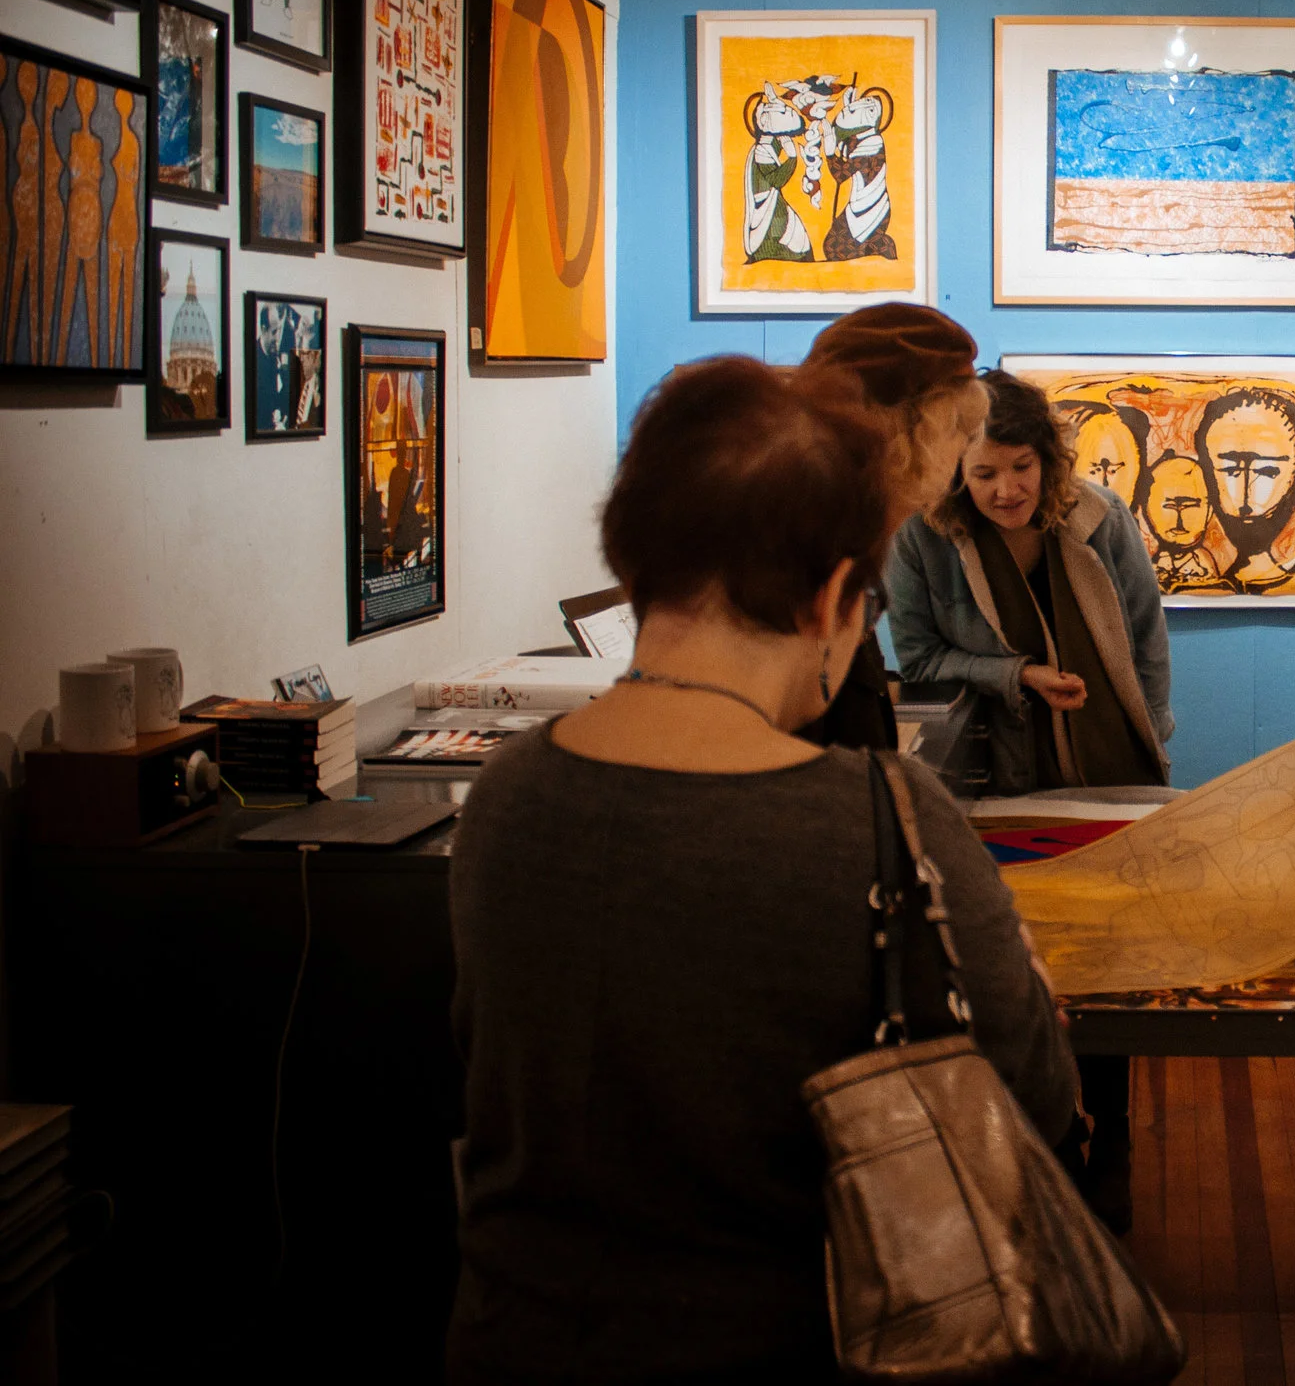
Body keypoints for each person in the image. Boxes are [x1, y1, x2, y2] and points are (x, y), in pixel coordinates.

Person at [447, 355, 1075, 1382]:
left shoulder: (506, 797)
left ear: (633, 562)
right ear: (832, 596)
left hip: (519, 1342)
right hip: (795, 1342)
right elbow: (1031, 1102)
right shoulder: (886, 817)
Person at [887, 367, 1173, 1233]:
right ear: (953, 471)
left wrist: (1150, 759)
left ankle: (1113, 1140)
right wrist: (1016, 675)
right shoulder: (922, 536)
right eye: (983, 473)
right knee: (1017, 962)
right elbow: (918, 658)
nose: (1005, 489)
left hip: (1110, 768)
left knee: (1111, 963)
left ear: (1048, 459)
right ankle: (1050, 1138)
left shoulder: (1101, 517)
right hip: (995, 779)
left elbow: (1148, 643)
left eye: (1021, 467)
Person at [792, 303, 990, 750]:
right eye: (958, 431)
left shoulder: (839, 539)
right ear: (918, 437)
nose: (959, 457)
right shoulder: (821, 559)